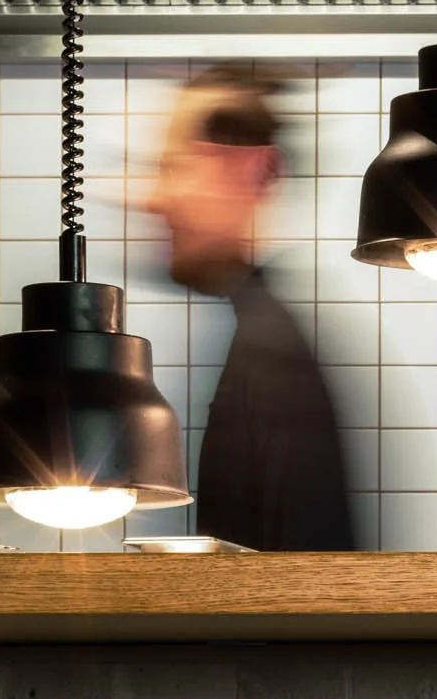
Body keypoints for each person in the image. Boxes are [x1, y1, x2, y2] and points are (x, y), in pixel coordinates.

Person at [143, 66, 355, 552]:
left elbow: (292, 596)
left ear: (257, 169)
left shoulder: (273, 358)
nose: (155, 201)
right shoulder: (263, 336)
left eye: (173, 167)